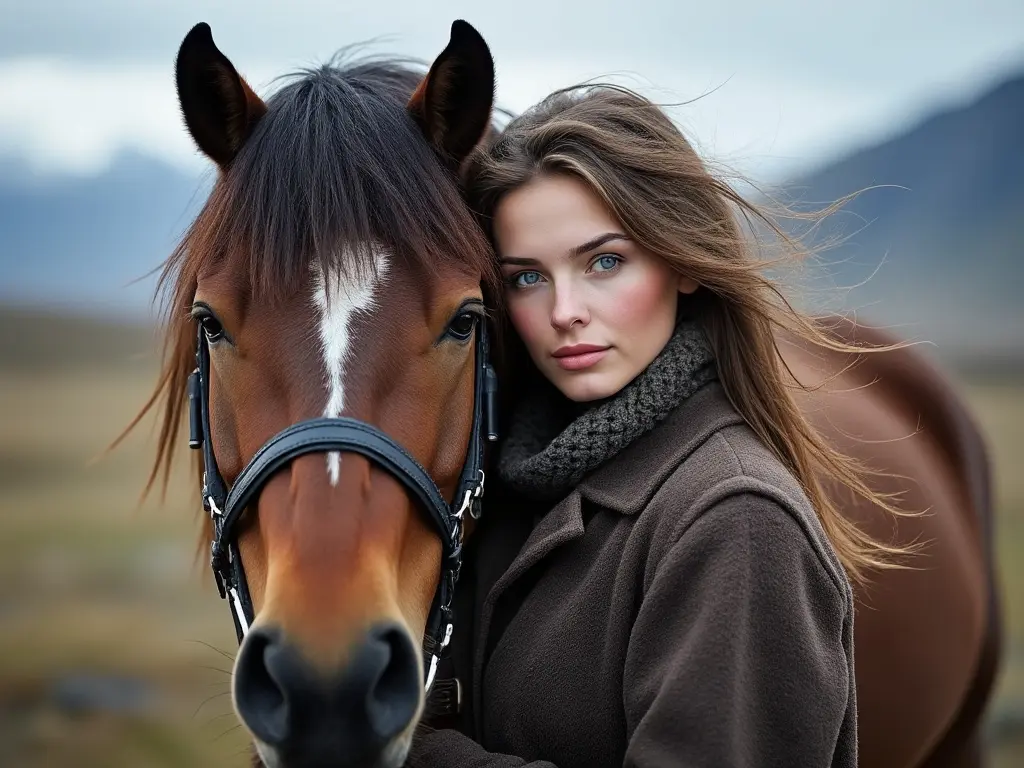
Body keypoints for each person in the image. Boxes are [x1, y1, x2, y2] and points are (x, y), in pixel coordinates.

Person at [409, 83, 907, 768]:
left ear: (681, 263)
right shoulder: (495, 486)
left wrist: (415, 758)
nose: (565, 312)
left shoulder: (737, 521)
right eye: (527, 278)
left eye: (604, 262)